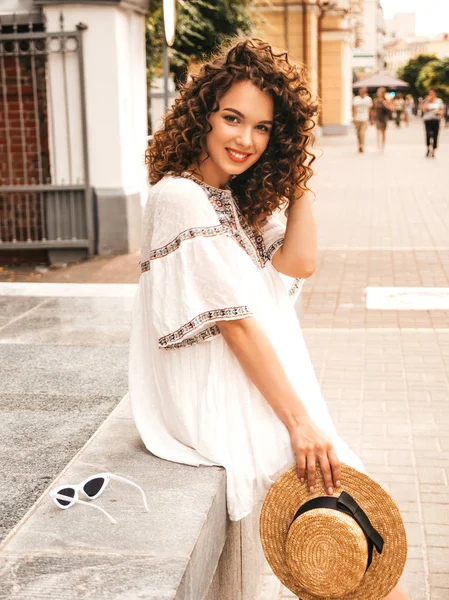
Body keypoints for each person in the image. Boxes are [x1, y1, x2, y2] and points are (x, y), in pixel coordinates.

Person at [129, 38, 410, 600]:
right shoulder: (179, 197)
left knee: (344, 539)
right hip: (212, 393)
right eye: (232, 119)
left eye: (263, 129)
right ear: (202, 115)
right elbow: (234, 324)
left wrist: (296, 173)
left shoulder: (233, 198)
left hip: (252, 382)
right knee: (343, 528)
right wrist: (299, 422)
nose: (244, 140)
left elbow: (300, 262)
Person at [421, 88, 444, 157]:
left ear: (435, 94)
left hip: (436, 120)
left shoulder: (439, 101)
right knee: (428, 135)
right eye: (429, 93)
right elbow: (423, 109)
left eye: (432, 93)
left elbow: (442, 111)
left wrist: (438, 112)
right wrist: (427, 101)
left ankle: (433, 151)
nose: (431, 95)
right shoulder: (426, 101)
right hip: (427, 120)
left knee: (435, 136)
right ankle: (428, 149)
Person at [352, 87, 373, 153]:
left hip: (365, 118)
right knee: (358, 133)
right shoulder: (356, 99)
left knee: (362, 132)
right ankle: (359, 145)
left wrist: (371, 119)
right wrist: (353, 117)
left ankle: (362, 145)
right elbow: (353, 109)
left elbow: (370, 110)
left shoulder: (368, 99)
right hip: (357, 118)